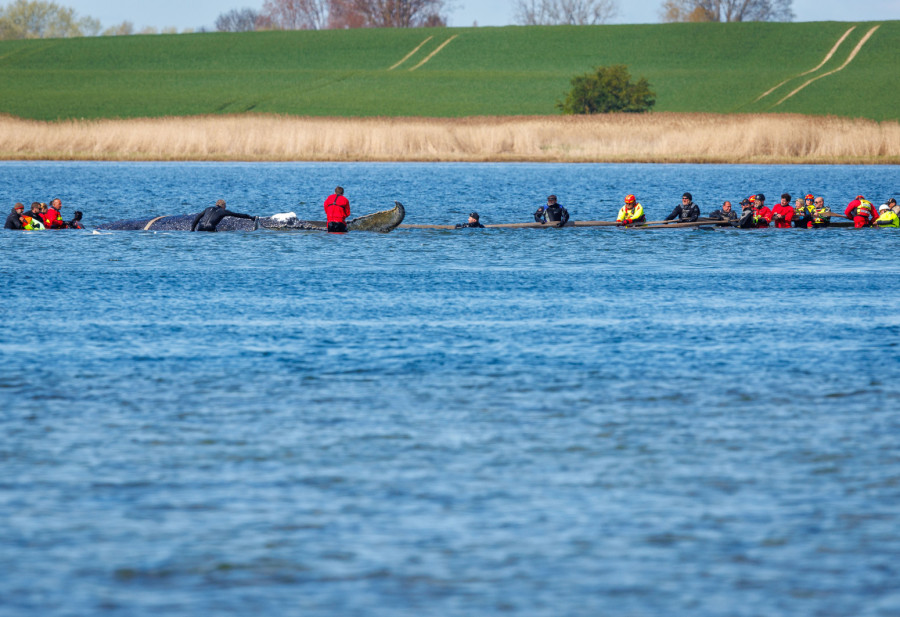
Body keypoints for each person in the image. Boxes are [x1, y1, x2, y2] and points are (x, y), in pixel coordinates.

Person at [190, 199, 257, 232]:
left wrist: (192, 229)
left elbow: (198, 217)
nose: (225, 207)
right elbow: (238, 215)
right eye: (225, 206)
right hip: (211, 227)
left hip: (200, 227)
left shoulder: (208, 208)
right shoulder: (223, 211)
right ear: (223, 206)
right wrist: (250, 217)